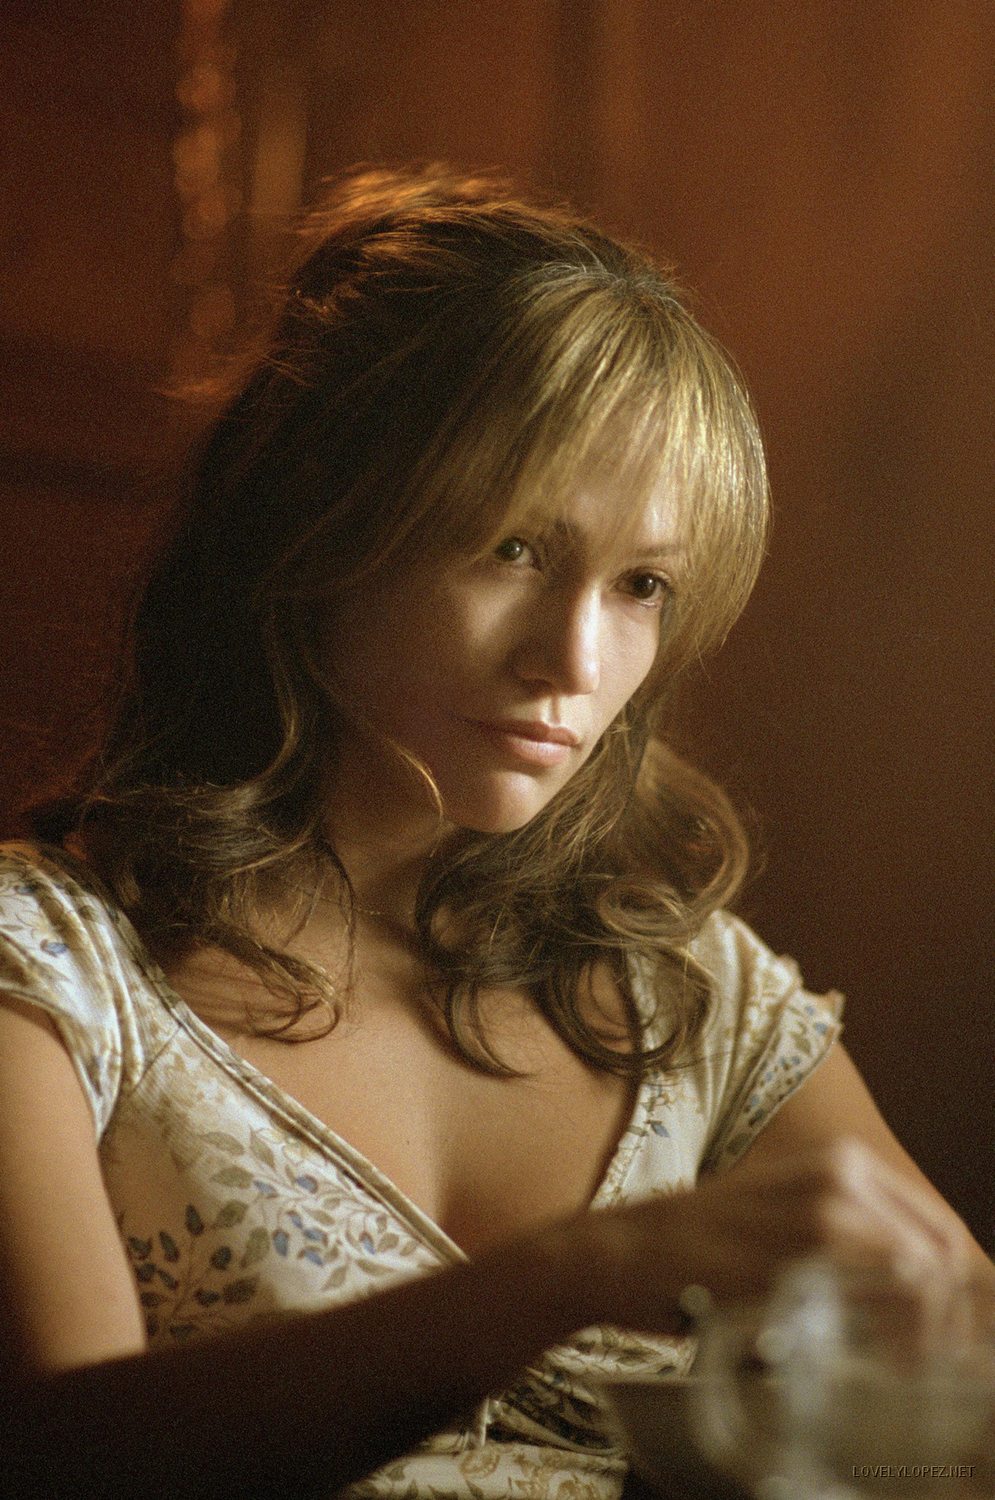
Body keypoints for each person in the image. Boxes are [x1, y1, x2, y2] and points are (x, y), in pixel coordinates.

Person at [0, 166, 988, 1500]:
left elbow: (968, 1394)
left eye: (643, 586)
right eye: (514, 548)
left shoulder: (697, 997)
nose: (572, 661)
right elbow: (50, 1456)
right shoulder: (51, 969)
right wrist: (580, 1274)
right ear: (318, 522)